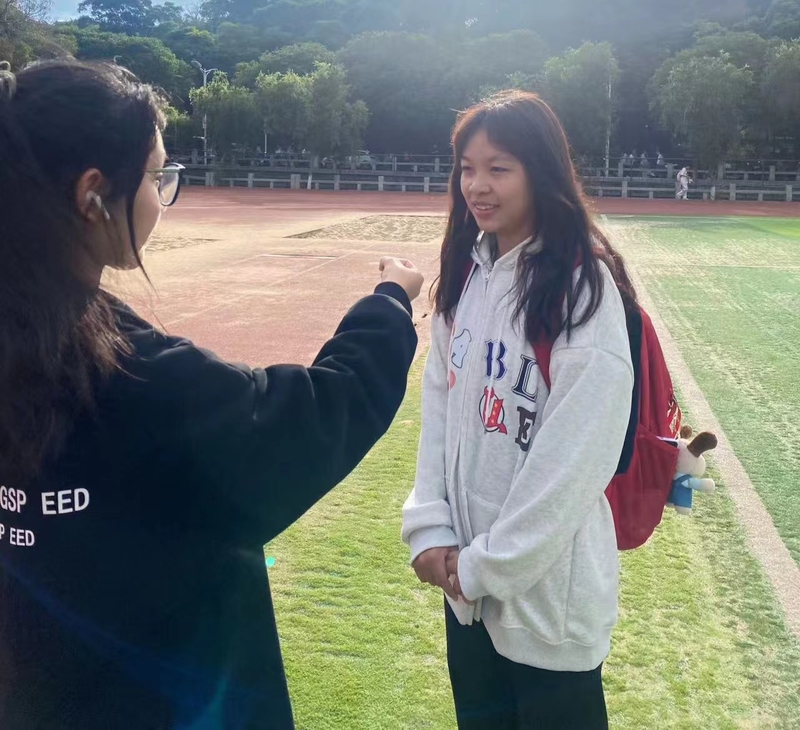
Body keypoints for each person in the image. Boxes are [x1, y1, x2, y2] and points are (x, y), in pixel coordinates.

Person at [0, 59, 423, 729]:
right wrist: (389, 303)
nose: (161, 195)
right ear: (93, 194)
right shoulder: (134, 376)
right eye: (156, 177)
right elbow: (311, 418)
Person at [402, 90, 634, 729]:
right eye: (467, 168)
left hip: (545, 607)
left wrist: (484, 567)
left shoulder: (582, 289)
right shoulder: (468, 274)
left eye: (498, 168)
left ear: (541, 171)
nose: (477, 186)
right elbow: (441, 405)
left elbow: (575, 459)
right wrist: (431, 529)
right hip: (466, 595)